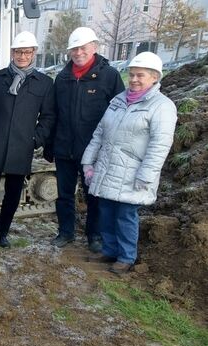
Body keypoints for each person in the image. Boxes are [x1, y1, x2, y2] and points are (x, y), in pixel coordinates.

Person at [82, 52, 176, 275]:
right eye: (131, 74)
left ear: (154, 77)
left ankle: (126, 257)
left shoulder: (161, 106)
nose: (133, 79)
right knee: (106, 211)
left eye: (139, 75)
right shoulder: (118, 100)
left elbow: (160, 145)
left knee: (125, 215)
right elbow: (100, 133)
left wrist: (147, 175)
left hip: (133, 171)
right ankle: (110, 249)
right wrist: (88, 161)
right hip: (108, 167)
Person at [0, 32, 55, 249]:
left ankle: (2, 230)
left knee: (13, 194)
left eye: (27, 52)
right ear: (12, 53)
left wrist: (35, 140)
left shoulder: (44, 83)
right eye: (18, 51)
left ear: (34, 53)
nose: (22, 56)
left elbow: (48, 116)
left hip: (21, 147)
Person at [46, 27, 125, 252]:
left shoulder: (108, 76)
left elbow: (118, 115)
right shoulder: (62, 78)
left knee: (94, 195)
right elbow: (54, 114)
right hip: (64, 148)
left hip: (94, 151)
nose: (78, 52)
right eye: (74, 49)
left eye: (83, 48)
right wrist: (51, 146)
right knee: (64, 194)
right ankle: (66, 232)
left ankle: (94, 235)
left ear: (94, 47)